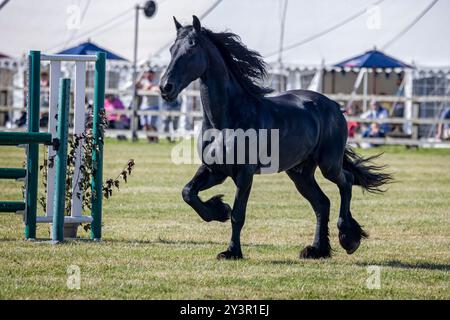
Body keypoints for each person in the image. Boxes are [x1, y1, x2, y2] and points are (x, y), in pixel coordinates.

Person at [136, 69, 160, 143]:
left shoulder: (157, 81)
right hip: (144, 106)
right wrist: (140, 76)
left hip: (154, 106)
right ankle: (150, 140)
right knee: (145, 125)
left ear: (154, 74)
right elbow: (136, 85)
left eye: (151, 73)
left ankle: (155, 139)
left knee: (151, 124)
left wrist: (147, 88)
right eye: (148, 73)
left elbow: (158, 89)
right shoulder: (143, 81)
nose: (149, 75)